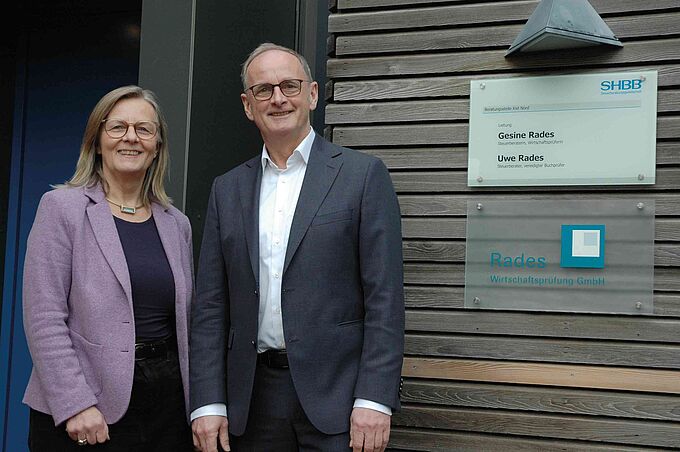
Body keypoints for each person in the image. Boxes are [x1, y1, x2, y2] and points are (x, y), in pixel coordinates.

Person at [190, 43, 405, 452]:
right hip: (251, 402)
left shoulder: (362, 177)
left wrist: (374, 397)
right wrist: (208, 402)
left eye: (289, 85)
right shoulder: (227, 189)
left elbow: (385, 298)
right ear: (248, 105)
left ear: (312, 94)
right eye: (263, 90)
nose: (278, 98)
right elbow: (211, 307)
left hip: (340, 401)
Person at [22, 85, 194, 450]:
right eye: (117, 127)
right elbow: (44, 318)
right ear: (97, 142)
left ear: (157, 146)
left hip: (167, 408)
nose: (131, 137)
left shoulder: (176, 224)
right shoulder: (61, 208)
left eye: (144, 129)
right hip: (87, 408)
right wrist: (76, 403)